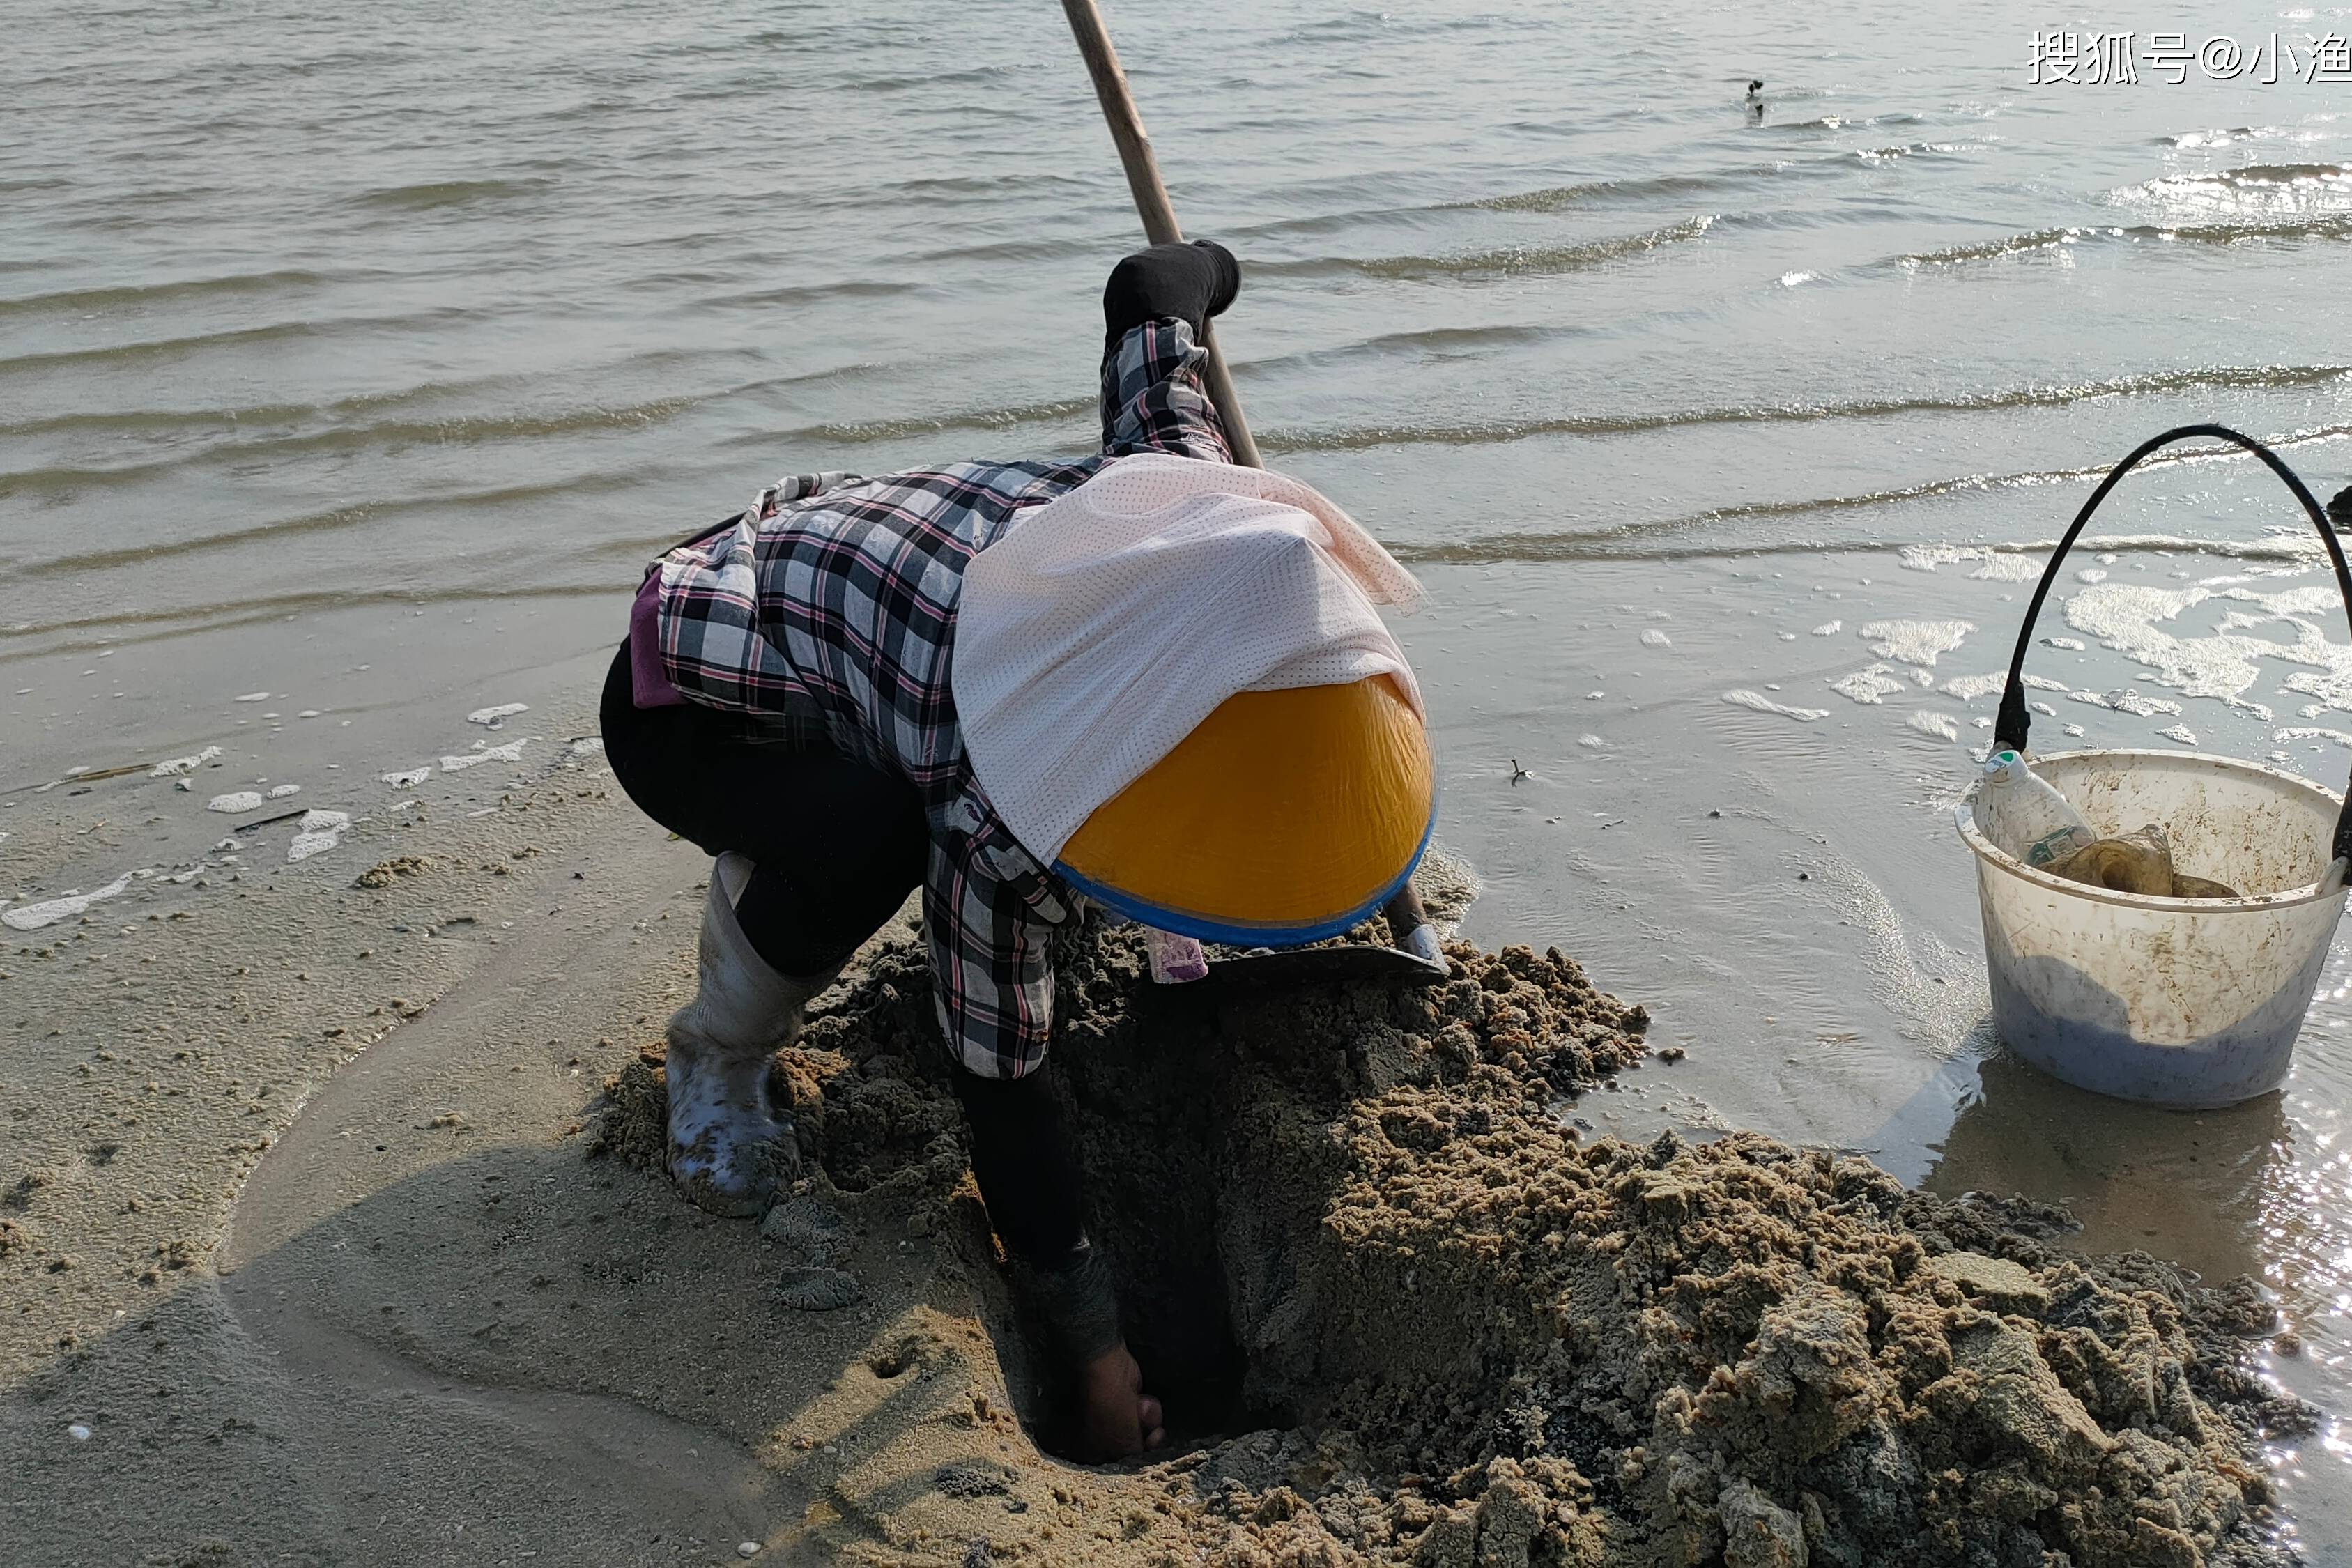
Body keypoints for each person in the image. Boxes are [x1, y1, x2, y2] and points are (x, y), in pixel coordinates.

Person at [601, 240, 1434, 1459]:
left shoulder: (1189, 496)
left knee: (940, 799)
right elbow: (1001, 1082)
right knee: (870, 834)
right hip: (694, 678)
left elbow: (1150, 292)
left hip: (845, 565)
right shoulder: (996, 813)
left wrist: (1215, 269)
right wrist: (1097, 1359)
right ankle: (716, 1057)